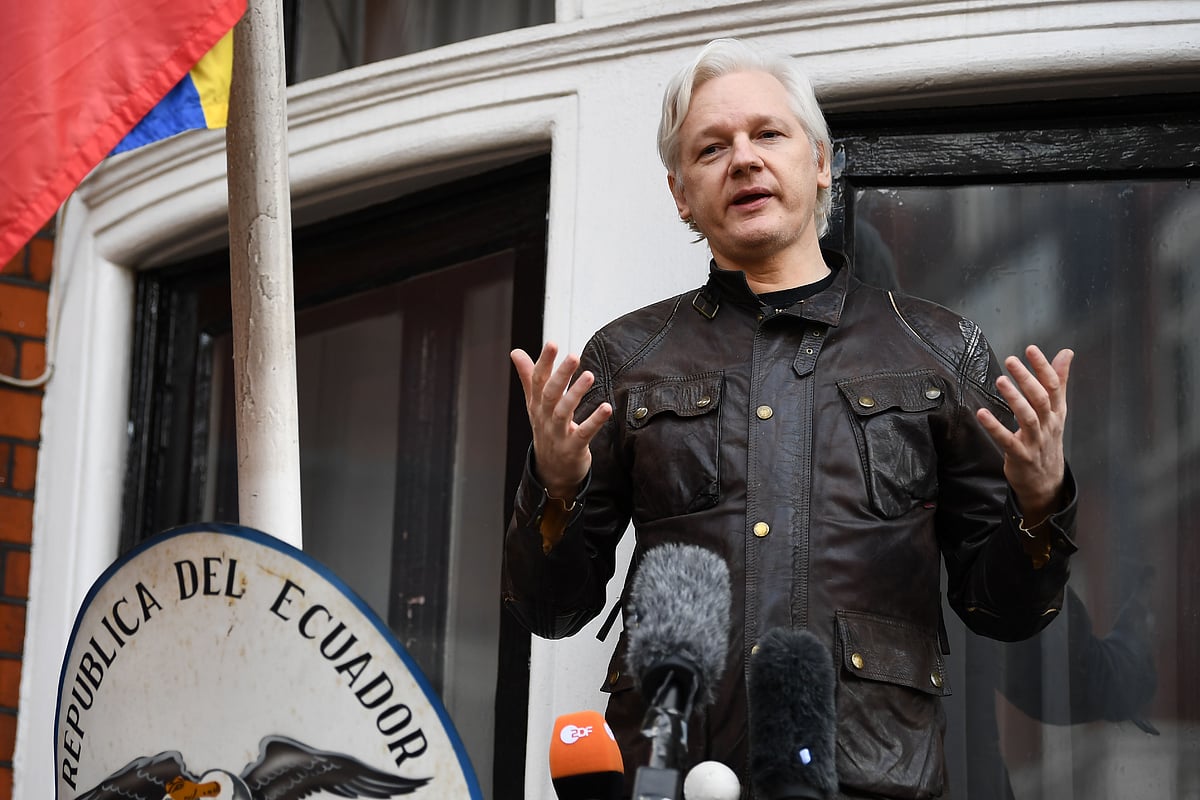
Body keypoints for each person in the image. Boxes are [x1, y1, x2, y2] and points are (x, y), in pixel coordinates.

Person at [502, 37, 1078, 799]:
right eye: (712, 147)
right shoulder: (628, 356)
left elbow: (1006, 612)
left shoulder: (938, 349)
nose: (743, 159)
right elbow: (549, 608)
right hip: (671, 777)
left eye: (768, 134)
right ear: (681, 194)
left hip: (869, 781)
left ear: (819, 164)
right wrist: (556, 485)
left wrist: (1040, 502)